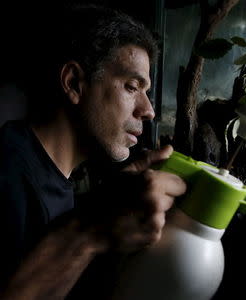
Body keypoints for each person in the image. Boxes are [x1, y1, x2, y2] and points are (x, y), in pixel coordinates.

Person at [0, 4, 186, 299]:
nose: (148, 110)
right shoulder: (6, 173)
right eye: (131, 86)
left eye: (146, 91)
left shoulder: (57, 180)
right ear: (74, 83)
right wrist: (90, 230)